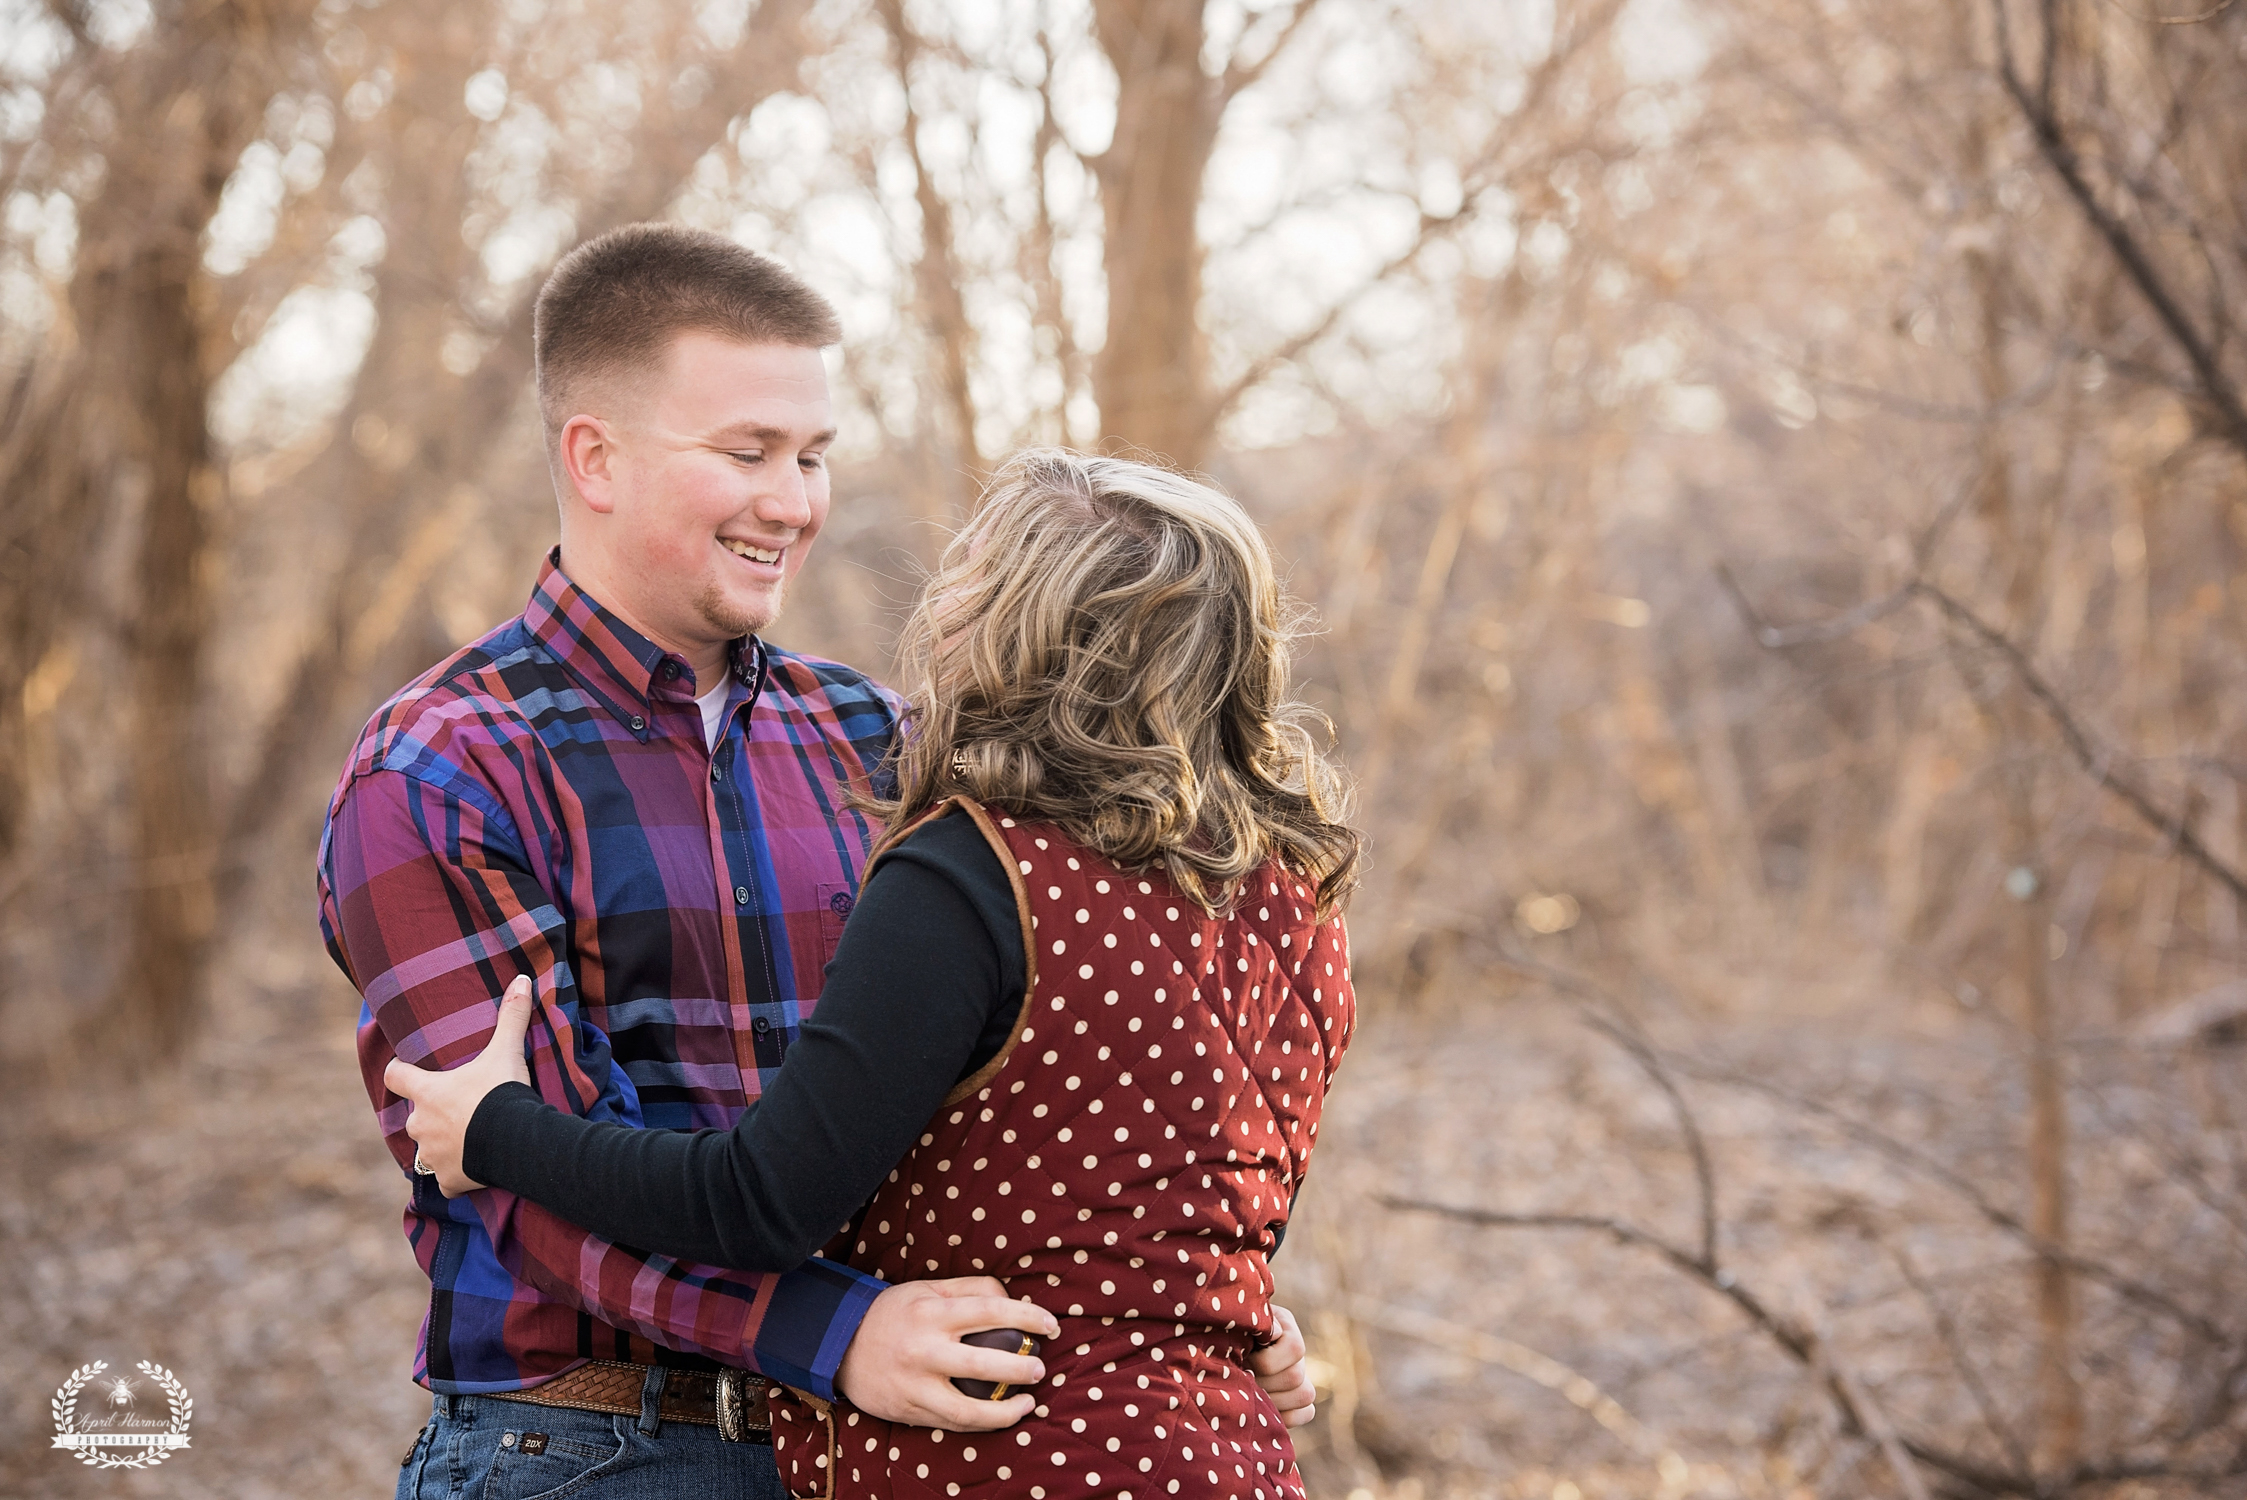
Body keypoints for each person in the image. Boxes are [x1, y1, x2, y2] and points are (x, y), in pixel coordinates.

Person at [320, 226, 1313, 1500]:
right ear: (596, 456)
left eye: (812, 456)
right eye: (747, 454)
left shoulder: (883, 739)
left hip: (908, 1440)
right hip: (602, 1447)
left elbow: (1062, 1047)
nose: (792, 502)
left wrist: (1182, 1308)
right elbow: (527, 1176)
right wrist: (832, 1333)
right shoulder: (444, 767)